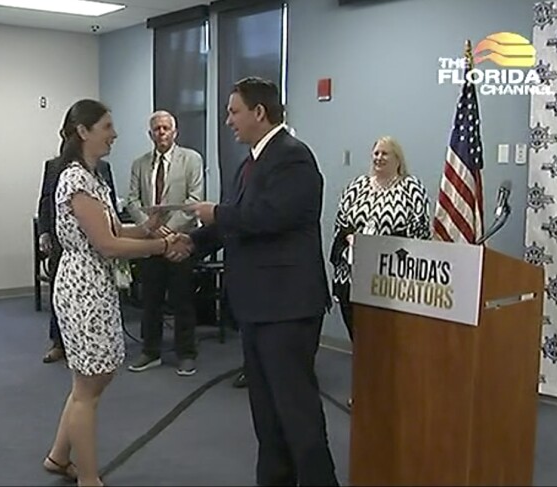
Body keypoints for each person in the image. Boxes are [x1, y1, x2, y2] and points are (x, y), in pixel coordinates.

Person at [177, 77, 339, 486]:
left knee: (296, 413)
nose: (229, 120)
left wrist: (215, 214)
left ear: (259, 113)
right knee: (266, 416)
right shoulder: (249, 162)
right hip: (257, 307)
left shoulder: (293, 158)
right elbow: (235, 219)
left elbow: (268, 217)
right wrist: (190, 243)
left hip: (287, 308)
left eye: (233, 111)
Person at [42, 99, 188, 487]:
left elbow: (115, 231)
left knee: (91, 380)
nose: (115, 134)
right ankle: (89, 478)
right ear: (83, 132)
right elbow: (106, 244)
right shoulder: (74, 178)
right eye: (107, 126)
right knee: (89, 385)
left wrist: (146, 229)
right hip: (81, 286)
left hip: (95, 283)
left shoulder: (94, 177)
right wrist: (160, 247)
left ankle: (59, 457)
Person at [329, 136, 431, 342]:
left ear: (397, 159)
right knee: (359, 339)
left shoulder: (411, 188)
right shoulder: (358, 185)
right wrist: (349, 237)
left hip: (390, 281)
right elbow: (340, 223)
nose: (379, 157)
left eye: (384, 153)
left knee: (385, 342)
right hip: (352, 277)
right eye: (376, 153)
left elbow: (420, 233)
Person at [125, 110, 204, 376]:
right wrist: (151, 228)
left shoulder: (191, 159)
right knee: (151, 299)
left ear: (175, 132)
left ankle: (186, 353)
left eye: (166, 128)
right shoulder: (140, 164)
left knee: (182, 299)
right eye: (156, 129)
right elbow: (132, 201)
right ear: (150, 134)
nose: (161, 133)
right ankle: (150, 351)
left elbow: (194, 200)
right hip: (150, 242)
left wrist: (169, 230)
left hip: (179, 241)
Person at [38, 146, 118, 364]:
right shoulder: (56, 167)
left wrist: (117, 232)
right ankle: (59, 343)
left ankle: (92, 342)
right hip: (64, 242)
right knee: (61, 293)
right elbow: (45, 201)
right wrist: (44, 232)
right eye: (106, 127)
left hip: (96, 247)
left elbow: (111, 207)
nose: (113, 135)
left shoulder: (103, 169)